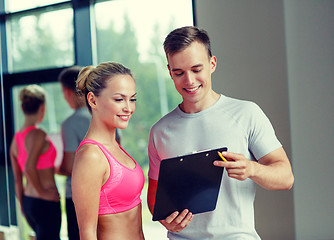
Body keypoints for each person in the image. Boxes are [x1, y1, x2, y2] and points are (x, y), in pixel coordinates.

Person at [147, 26, 294, 239]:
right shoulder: (159, 131)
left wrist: (252, 169)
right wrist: (164, 219)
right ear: (169, 72)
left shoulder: (246, 113)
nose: (189, 81)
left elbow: (286, 177)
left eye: (197, 69)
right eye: (179, 73)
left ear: (212, 64)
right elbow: (154, 197)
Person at [71, 61, 145, 240]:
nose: (128, 108)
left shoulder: (116, 147)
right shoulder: (91, 156)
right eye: (119, 99)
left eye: (132, 99)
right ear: (92, 100)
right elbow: (87, 233)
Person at [9, 84, 61, 240]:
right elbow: (29, 167)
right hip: (45, 201)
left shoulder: (15, 140)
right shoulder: (38, 134)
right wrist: (43, 192)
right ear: (42, 107)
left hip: (29, 202)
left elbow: (18, 179)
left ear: (23, 108)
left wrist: (23, 207)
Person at [58, 66, 91, 240]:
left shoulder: (70, 124)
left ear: (68, 92)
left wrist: (55, 169)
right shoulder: (106, 115)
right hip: (105, 193)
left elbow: (70, 166)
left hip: (78, 197)